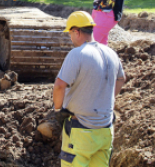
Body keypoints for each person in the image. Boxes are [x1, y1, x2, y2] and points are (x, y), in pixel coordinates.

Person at [53, 11, 126, 167]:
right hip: (105, 130)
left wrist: (58, 110)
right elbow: (121, 79)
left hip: (81, 132)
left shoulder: (77, 54)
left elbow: (59, 85)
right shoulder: (111, 53)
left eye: (70, 34)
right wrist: (106, 100)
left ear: (76, 32)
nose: (70, 38)